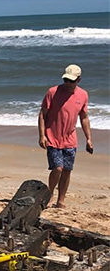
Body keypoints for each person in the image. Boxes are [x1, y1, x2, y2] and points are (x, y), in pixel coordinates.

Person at [38, 64, 93, 208]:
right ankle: (49, 196)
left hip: (70, 140)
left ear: (79, 80)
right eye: (66, 80)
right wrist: (42, 135)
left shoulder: (83, 95)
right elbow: (42, 114)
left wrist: (88, 138)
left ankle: (61, 200)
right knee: (57, 168)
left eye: (71, 81)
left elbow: (84, 117)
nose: (67, 83)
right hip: (52, 137)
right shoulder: (52, 92)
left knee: (67, 170)